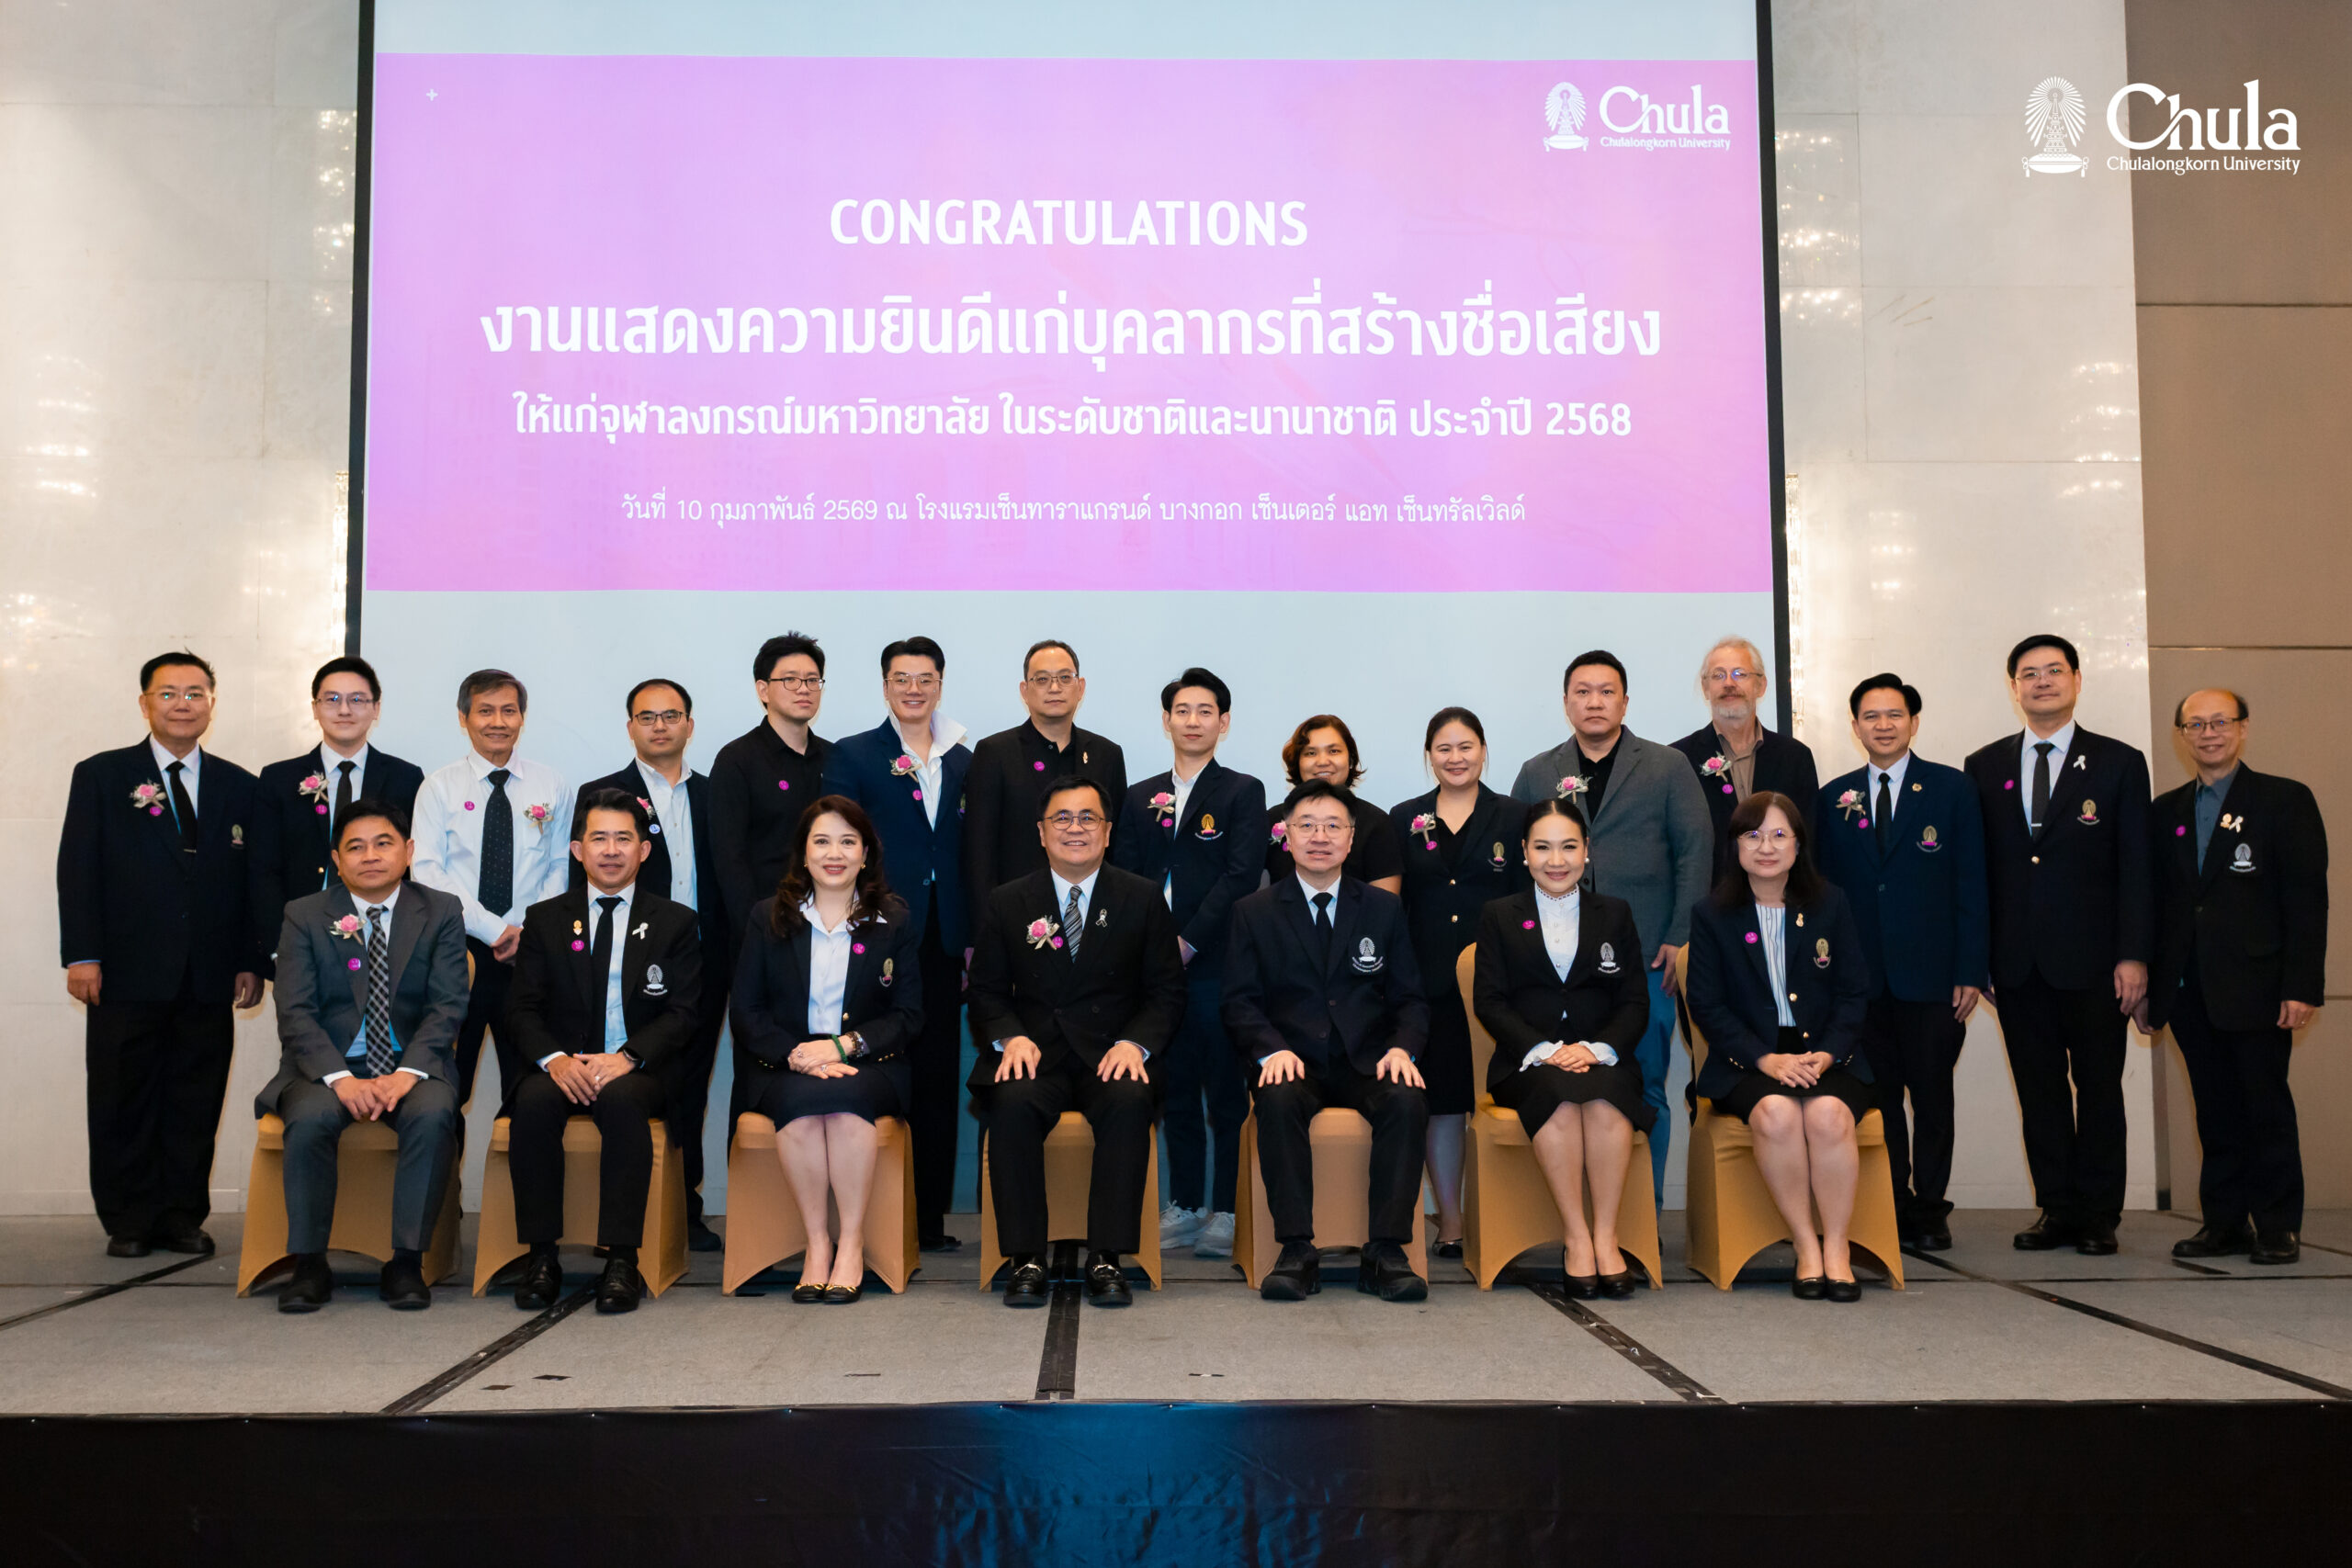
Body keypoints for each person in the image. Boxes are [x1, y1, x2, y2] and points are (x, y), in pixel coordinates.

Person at [57, 651, 264, 1258]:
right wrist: (82, 954)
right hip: (124, 970)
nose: (182, 704)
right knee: (123, 1096)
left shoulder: (239, 785)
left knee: (195, 1097)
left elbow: (250, 882)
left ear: (212, 704)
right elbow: (77, 870)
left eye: (195, 693)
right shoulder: (102, 775)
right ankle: (128, 1219)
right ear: (145, 703)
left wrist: (251, 958)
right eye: (168, 693)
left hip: (209, 973)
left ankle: (180, 1215)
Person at [1964, 635, 2151, 1256]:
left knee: (2099, 1090)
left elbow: (2137, 867)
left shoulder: (2119, 762)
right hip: (2017, 965)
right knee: (2039, 1092)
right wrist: (1980, 958)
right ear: (2013, 687)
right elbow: (1978, 873)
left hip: (2098, 964)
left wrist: (2134, 954)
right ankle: (2057, 1207)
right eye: (2029, 673)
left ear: (2076, 679)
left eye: (2053, 670)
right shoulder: (1984, 766)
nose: (2041, 681)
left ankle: (2098, 1214)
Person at [967, 777, 1185, 1307]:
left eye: (1088, 818)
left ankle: (1107, 1257)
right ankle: (1025, 1258)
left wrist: (1135, 1044)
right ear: (1041, 832)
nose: (1075, 828)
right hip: (1036, 1055)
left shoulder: (1141, 897)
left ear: (1108, 832)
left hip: (1110, 1054)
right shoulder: (1008, 900)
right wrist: (1010, 1037)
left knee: (1130, 1100)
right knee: (1011, 1101)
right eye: (1061, 818)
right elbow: (986, 992)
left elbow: (1167, 992)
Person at [1509, 650, 1712, 1201]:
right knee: (1567, 1088)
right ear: (1566, 702)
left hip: (1647, 957)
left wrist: (1679, 937)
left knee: (1645, 1085)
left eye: (1606, 691)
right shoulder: (1538, 772)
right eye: (1582, 691)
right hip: (1557, 968)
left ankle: (1643, 1216)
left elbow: (1695, 853)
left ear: (1625, 701)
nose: (1594, 702)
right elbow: (1521, 864)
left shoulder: (1667, 766)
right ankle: (1580, 1216)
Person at [1224, 780, 1431, 1303]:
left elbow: (1410, 997)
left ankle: (1386, 1251)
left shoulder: (1382, 908)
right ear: (1286, 836)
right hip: (1292, 1061)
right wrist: (1271, 1049)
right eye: (1307, 826)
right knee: (1276, 1099)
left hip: (1368, 1061)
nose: (1320, 837)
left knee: (1407, 1099)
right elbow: (1239, 1002)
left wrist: (1402, 1049)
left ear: (1351, 838)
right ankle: (1297, 1249)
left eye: (1333, 826)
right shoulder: (1254, 910)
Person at [256, 800, 468, 1312]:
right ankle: (310, 1264)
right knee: (309, 1119)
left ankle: (406, 1262)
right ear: (336, 859)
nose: (370, 856)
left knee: (434, 1114)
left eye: (383, 843)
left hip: (411, 1064)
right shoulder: (305, 914)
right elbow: (295, 1012)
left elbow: (447, 1006)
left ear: (408, 851)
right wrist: (339, 1079)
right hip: (326, 1068)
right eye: (355, 847)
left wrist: (407, 1073)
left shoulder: (440, 910)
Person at [2143, 690, 2327, 1266]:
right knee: (2215, 1110)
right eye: (2195, 724)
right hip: (2187, 989)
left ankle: (2277, 1225)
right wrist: (2152, 983)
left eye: (2220, 722)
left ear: (2242, 728)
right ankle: (2224, 1223)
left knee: (2265, 1108)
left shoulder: (2284, 800)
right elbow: (2157, 905)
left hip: (2259, 987)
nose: (2209, 733)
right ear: (2181, 735)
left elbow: (2306, 900)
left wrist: (2301, 986)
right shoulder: (2165, 811)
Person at [502, 792, 702, 1314]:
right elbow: (522, 1009)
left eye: (623, 839)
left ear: (644, 851)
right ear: (577, 850)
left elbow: (683, 1013)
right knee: (534, 1102)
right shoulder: (545, 919)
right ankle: (541, 1256)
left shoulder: (675, 922)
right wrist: (556, 1059)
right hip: (564, 1064)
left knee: (621, 1100)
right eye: (599, 839)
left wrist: (629, 1057)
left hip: (638, 1069)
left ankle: (622, 1259)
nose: (611, 851)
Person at [1811, 674, 1987, 1252]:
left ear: (1914, 722)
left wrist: (1971, 970)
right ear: (1855, 725)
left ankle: (1931, 1209)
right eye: (1871, 716)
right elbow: (1823, 894)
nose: (1882, 725)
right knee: (1880, 1098)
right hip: (1861, 982)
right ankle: (1892, 1202)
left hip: (1934, 979)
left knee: (1932, 1096)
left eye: (1894, 715)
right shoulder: (1834, 797)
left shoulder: (1952, 789)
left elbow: (1972, 884)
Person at [731, 796, 923, 1303]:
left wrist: (844, 1046)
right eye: (821, 841)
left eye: (847, 842)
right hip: (785, 1063)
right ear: (803, 852)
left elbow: (908, 1015)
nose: (834, 853)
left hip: (867, 1063)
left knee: (844, 1105)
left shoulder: (894, 920)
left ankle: (851, 1243)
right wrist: (796, 1054)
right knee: (800, 1108)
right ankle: (817, 1245)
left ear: (865, 854)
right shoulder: (768, 918)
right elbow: (746, 1011)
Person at [1685, 792, 1875, 1302]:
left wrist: (1828, 1053)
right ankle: (1805, 1244)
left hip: (1825, 1054)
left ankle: (1837, 1247)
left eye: (1778, 835)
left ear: (1798, 844)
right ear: (1735, 846)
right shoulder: (1711, 914)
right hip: (1749, 1059)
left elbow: (1854, 992)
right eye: (1752, 836)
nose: (1765, 847)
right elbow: (1707, 1005)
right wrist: (1763, 1059)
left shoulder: (1830, 903)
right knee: (1776, 1114)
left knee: (1828, 1116)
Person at [824, 636, 974, 1253]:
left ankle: (928, 1216)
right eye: (901, 679)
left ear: (940, 684)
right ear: (885, 686)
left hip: (946, 937)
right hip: (875, 931)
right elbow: (838, 842)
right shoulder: (854, 754)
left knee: (938, 1073)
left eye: (925, 679)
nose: (914, 689)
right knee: (879, 1067)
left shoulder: (965, 758)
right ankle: (872, 1218)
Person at [1112, 667, 1266, 1260]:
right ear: (1166, 720)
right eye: (1182, 710)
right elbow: (1125, 877)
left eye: (1205, 711)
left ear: (1223, 723)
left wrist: (1188, 941)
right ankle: (1183, 1203)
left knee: (1224, 1090)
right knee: (1172, 1089)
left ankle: (1226, 1208)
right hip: (1155, 971)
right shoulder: (1138, 796)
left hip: (1217, 963)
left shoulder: (1242, 791)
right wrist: (1155, 947)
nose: (1193, 721)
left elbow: (1240, 876)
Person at [571, 678, 729, 1253]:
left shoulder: (715, 793)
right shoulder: (602, 794)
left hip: (704, 959)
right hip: (626, 962)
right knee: (627, 1081)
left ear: (689, 725)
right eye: (647, 717)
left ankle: (684, 1209)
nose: (660, 726)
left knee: (691, 1085)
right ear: (630, 727)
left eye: (671, 716)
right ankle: (616, 1216)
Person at [1471, 799, 1652, 1298]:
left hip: (1603, 1057)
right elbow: (1490, 1001)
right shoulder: (1499, 915)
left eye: (1569, 847)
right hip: (1527, 1062)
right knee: (1561, 1098)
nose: (1557, 860)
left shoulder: (1615, 913)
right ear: (1524, 852)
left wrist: (1598, 1048)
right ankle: (1576, 1238)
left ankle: (1606, 1238)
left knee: (1604, 1098)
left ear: (1587, 851)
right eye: (1543, 847)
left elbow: (1635, 1001)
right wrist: (1543, 1049)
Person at [1389, 706, 1528, 1258]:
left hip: (1500, 985)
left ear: (1484, 751)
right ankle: (1451, 1221)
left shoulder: (1514, 816)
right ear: (1429, 756)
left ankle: (1503, 1220)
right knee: (1442, 1105)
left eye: (1466, 746)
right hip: (1426, 986)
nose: (1455, 758)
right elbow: (1394, 904)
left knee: (1494, 1102)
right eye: (1443, 749)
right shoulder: (1405, 817)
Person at [410, 669, 571, 1109]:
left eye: (508, 711)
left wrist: (528, 930)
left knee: (528, 1086)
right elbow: (427, 871)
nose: (498, 721)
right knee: (447, 1086)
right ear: (464, 718)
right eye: (485, 711)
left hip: (531, 953)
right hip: (457, 951)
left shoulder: (551, 784)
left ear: (522, 718)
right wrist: (494, 930)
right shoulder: (438, 787)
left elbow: (560, 865)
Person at [250, 656, 424, 949]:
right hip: (302, 934)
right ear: (315, 708)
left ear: (376, 708)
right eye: (332, 699)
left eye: (357, 699)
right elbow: (263, 871)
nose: (344, 710)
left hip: (383, 935)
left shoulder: (405, 778)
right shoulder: (278, 779)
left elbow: (412, 868)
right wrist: (280, 946)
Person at [965, 639, 1128, 930]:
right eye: (1042, 679)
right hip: (1016, 917)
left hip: (1093, 919)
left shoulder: (1107, 755)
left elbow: (1116, 847)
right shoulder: (995, 753)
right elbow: (979, 853)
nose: (1054, 688)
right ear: (1024, 691)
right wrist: (986, 930)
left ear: (1080, 687)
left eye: (1065, 678)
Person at [709, 632, 832, 941]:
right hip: (767, 925)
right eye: (790, 680)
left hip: (831, 926)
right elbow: (729, 859)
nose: (803, 688)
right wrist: (757, 930)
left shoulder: (835, 758)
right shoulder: (736, 760)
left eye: (812, 680)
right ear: (763, 689)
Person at [1671, 637, 1819, 880]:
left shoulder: (1795, 757)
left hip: (1781, 893)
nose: (1729, 683)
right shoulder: (1679, 759)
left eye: (1740, 674)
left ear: (1761, 686)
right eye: (1718, 675)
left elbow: (1808, 838)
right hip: (1710, 895)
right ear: (1706, 688)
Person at [1264, 715, 1404, 894]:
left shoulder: (1376, 823)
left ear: (1350, 759)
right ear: (1298, 762)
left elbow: (1385, 904)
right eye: (1311, 753)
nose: (1323, 762)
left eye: (1334, 751)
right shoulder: (1273, 819)